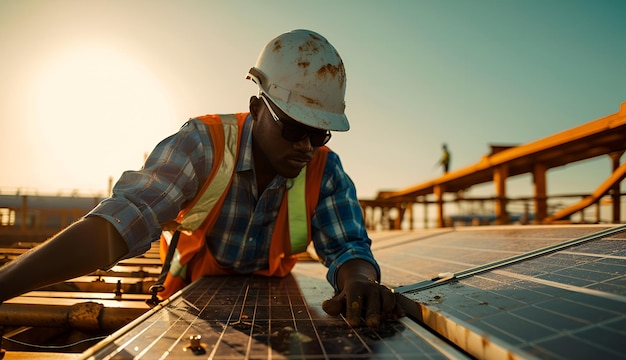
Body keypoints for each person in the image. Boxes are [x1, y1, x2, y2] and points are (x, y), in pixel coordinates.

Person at [0, 29, 400, 327]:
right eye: (295, 129)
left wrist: (359, 280)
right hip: (188, 307)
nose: (306, 147)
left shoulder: (324, 170)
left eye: (319, 134)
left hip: (274, 306)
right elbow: (126, 218)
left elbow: (348, 246)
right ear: (257, 109)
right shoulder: (203, 146)